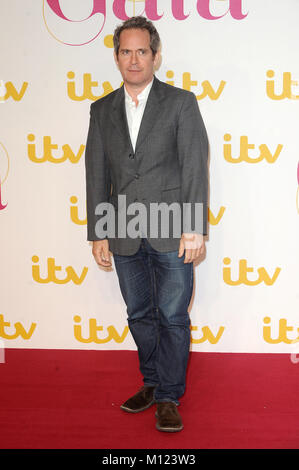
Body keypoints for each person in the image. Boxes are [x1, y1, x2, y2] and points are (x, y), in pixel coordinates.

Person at [85, 16, 208, 433]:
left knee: (172, 315)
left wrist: (194, 227)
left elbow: (195, 166)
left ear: (156, 55)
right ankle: (152, 383)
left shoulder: (180, 102)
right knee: (139, 313)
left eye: (142, 51)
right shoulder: (101, 110)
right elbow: (97, 173)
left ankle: (170, 395)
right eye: (125, 51)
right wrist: (98, 230)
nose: (133, 59)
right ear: (116, 57)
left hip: (173, 227)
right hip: (121, 229)